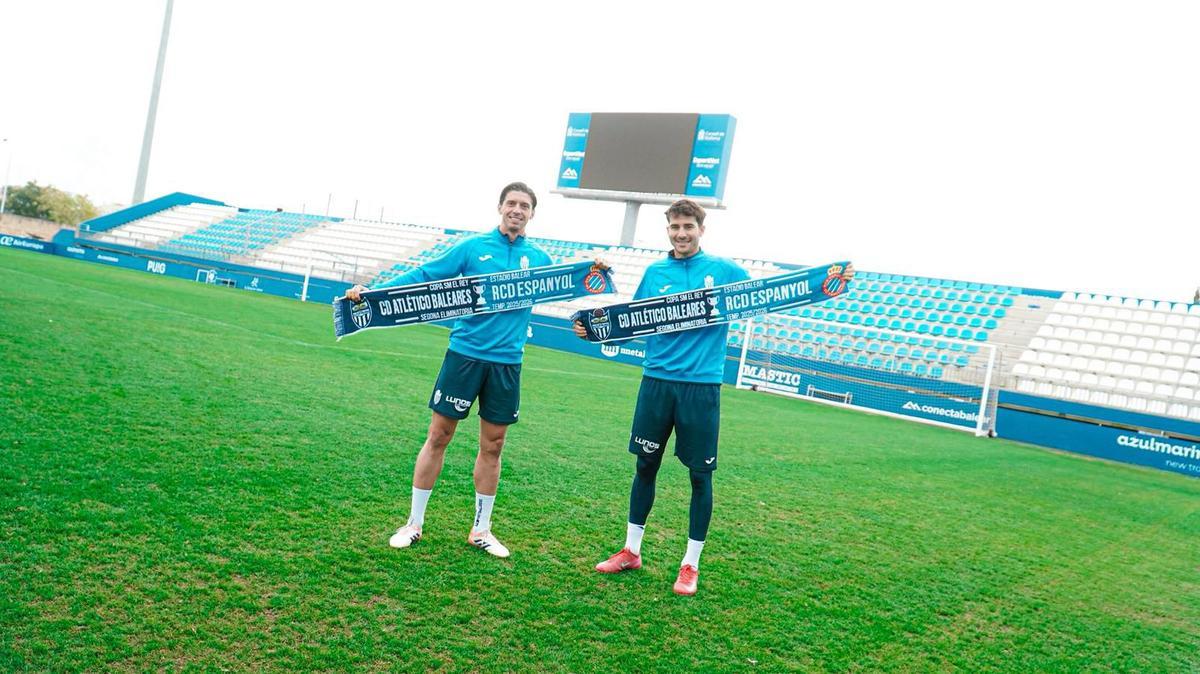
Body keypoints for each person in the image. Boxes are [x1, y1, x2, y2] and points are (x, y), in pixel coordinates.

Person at [347, 182, 551, 558]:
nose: (517, 210)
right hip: (465, 355)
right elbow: (426, 274)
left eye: (524, 205)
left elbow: (570, 285)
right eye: (511, 203)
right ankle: (414, 523)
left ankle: (481, 530)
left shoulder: (540, 259)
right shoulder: (473, 248)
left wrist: (596, 273)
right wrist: (374, 293)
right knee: (439, 435)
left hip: (507, 363)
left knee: (494, 444)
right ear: (500, 208)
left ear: (532, 214)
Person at [575, 198, 750, 595]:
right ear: (668, 230)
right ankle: (631, 551)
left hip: (701, 387)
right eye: (675, 227)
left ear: (701, 229)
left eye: (688, 227)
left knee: (700, 476)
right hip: (656, 382)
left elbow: (762, 296)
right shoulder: (655, 272)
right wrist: (595, 327)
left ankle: (690, 564)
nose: (681, 233)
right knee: (645, 465)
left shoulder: (724, 271)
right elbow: (632, 318)